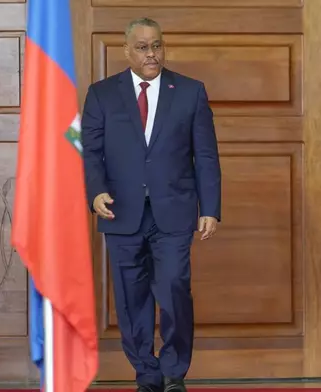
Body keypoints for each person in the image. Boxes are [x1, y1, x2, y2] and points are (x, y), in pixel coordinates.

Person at [81, 17, 221, 392]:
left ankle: (174, 371)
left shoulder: (190, 91)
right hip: (120, 211)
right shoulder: (101, 94)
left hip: (173, 210)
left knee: (175, 286)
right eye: (142, 47)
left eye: (156, 45)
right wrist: (95, 192)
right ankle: (146, 373)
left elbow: (205, 155)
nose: (151, 53)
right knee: (131, 298)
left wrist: (209, 208)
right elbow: (90, 152)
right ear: (126, 51)